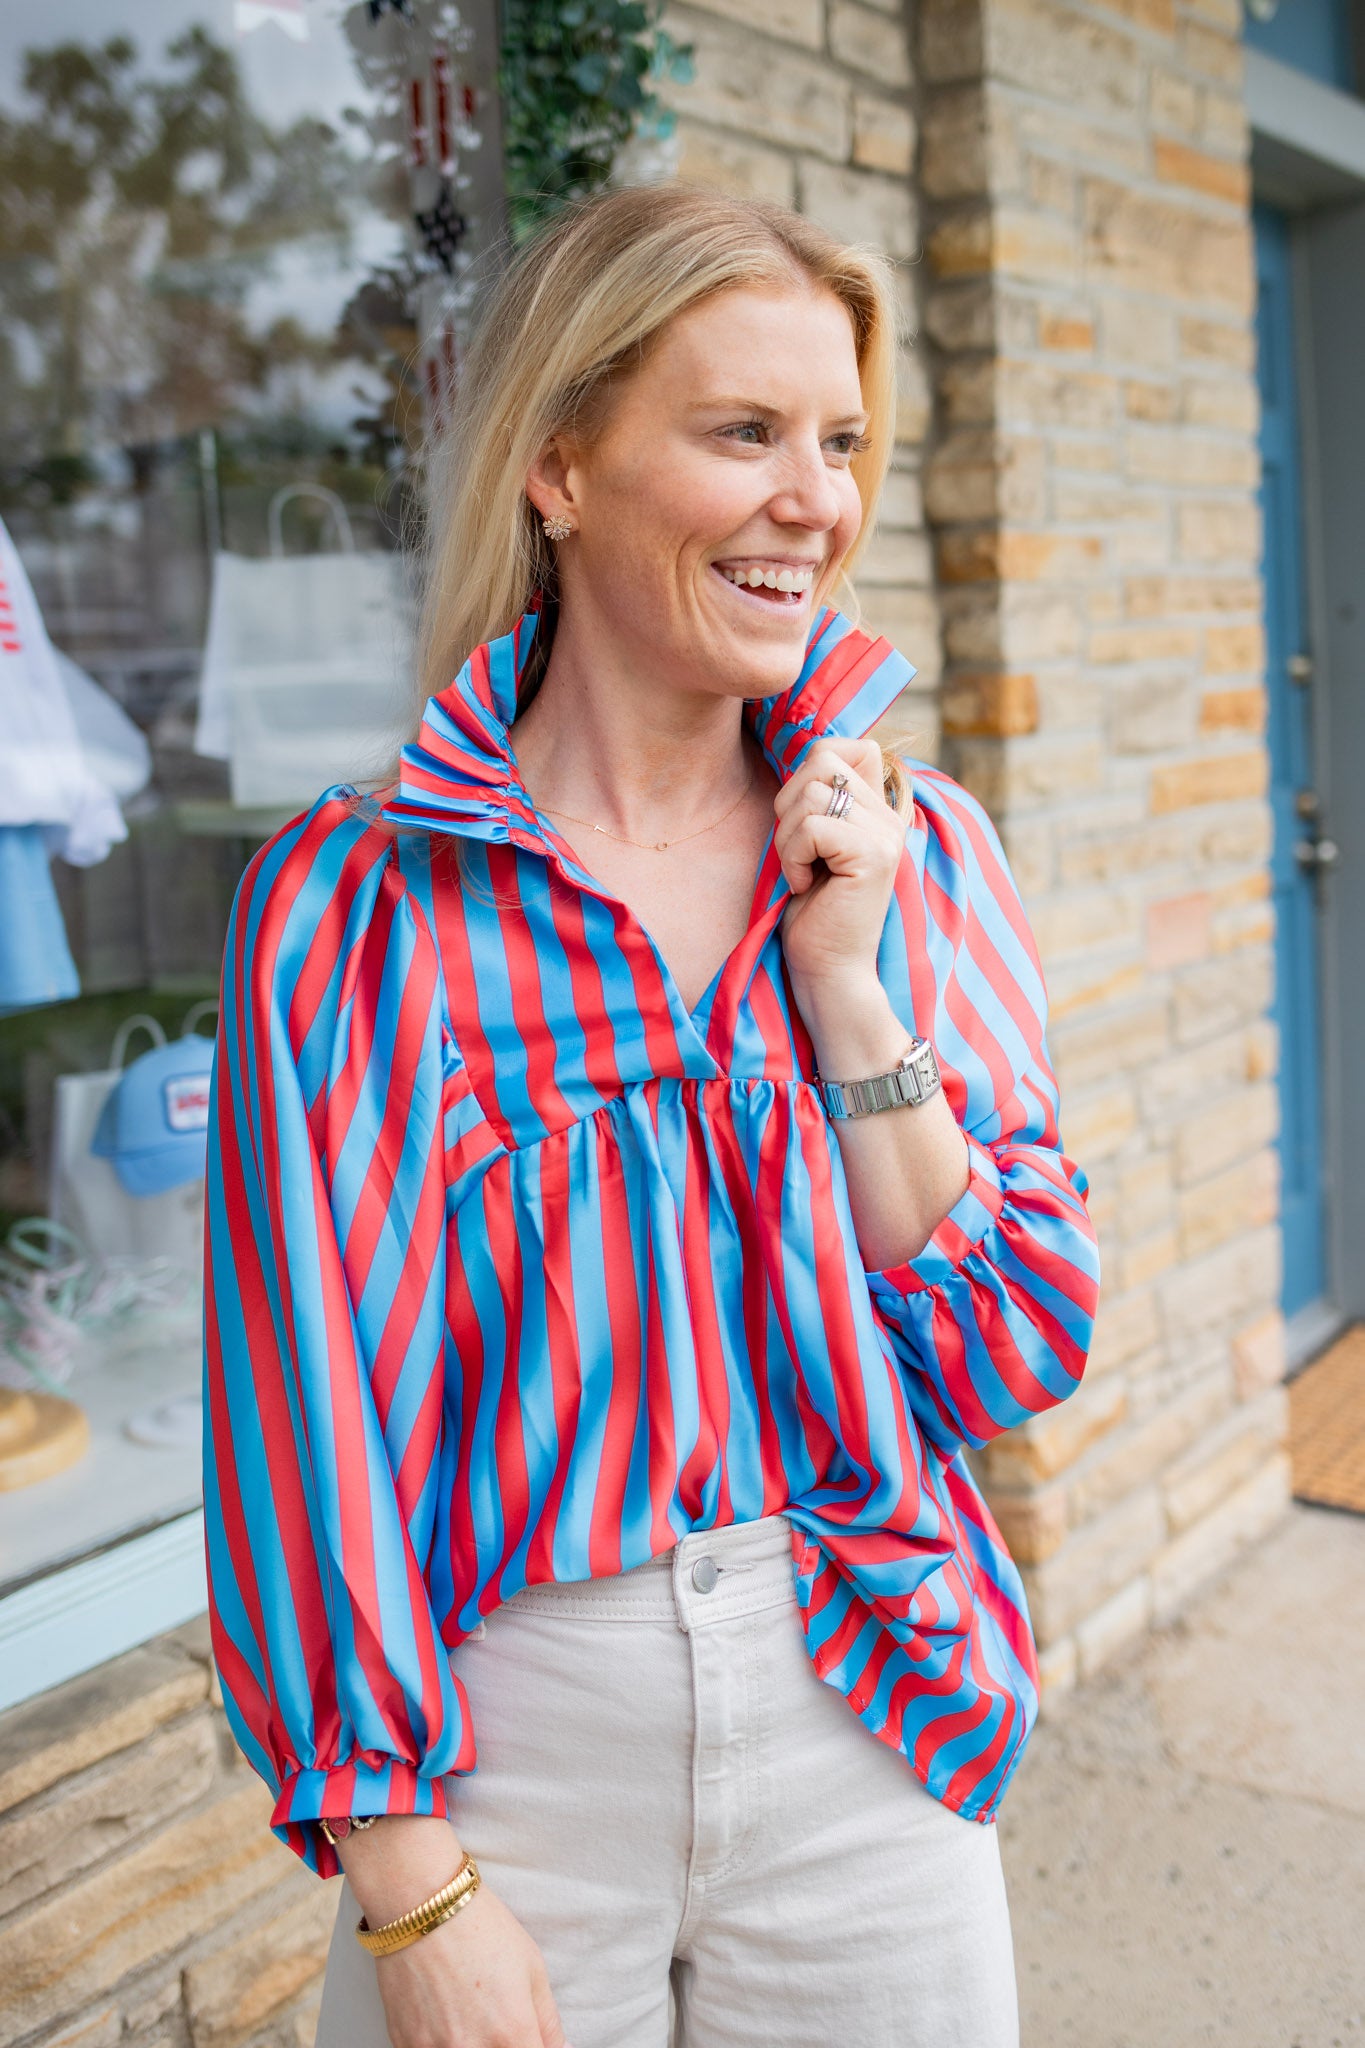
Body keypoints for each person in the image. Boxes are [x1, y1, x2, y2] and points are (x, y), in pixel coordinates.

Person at [203, 184, 1101, 2048]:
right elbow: (306, 1426)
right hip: (510, 1759)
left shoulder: (914, 859)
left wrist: (847, 986)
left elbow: (1020, 1337)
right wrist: (410, 1885)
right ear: (558, 466)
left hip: (875, 1709)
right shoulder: (352, 909)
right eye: (743, 433)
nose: (817, 502)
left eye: (840, 442)